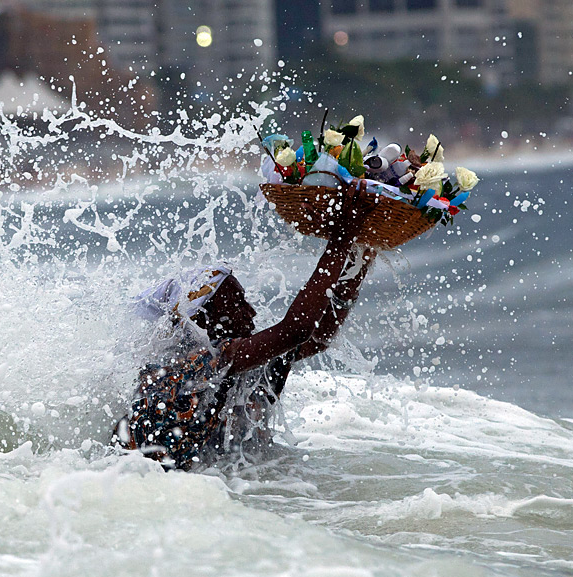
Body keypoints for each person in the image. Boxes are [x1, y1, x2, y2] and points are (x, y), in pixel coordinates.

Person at [112, 179, 377, 470]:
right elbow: (296, 331)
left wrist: (359, 261)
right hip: (161, 490)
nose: (250, 310)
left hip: (220, 485)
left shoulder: (234, 358)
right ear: (200, 319)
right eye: (236, 303)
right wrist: (341, 239)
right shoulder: (184, 367)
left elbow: (316, 338)